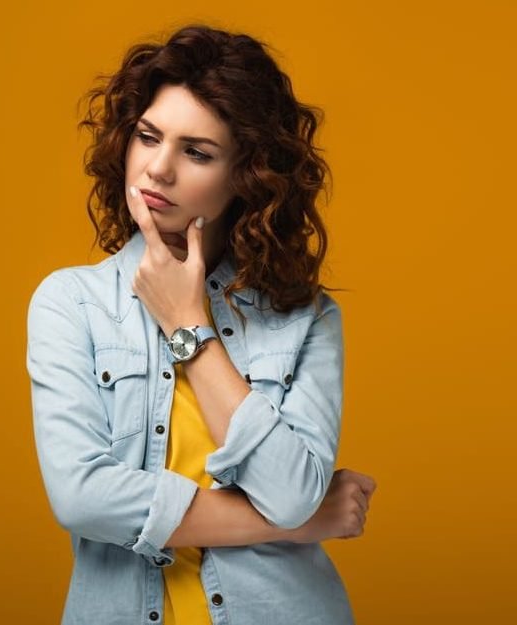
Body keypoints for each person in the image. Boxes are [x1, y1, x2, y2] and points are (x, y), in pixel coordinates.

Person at [26, 23, 377, 625]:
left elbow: (292, 491)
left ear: (246, 176)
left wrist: (189, 327)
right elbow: (82, 497)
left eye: (197, 152)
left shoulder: (306, 317)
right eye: (147, 136)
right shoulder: (71, 304)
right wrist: (299, 525)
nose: (158, 169)